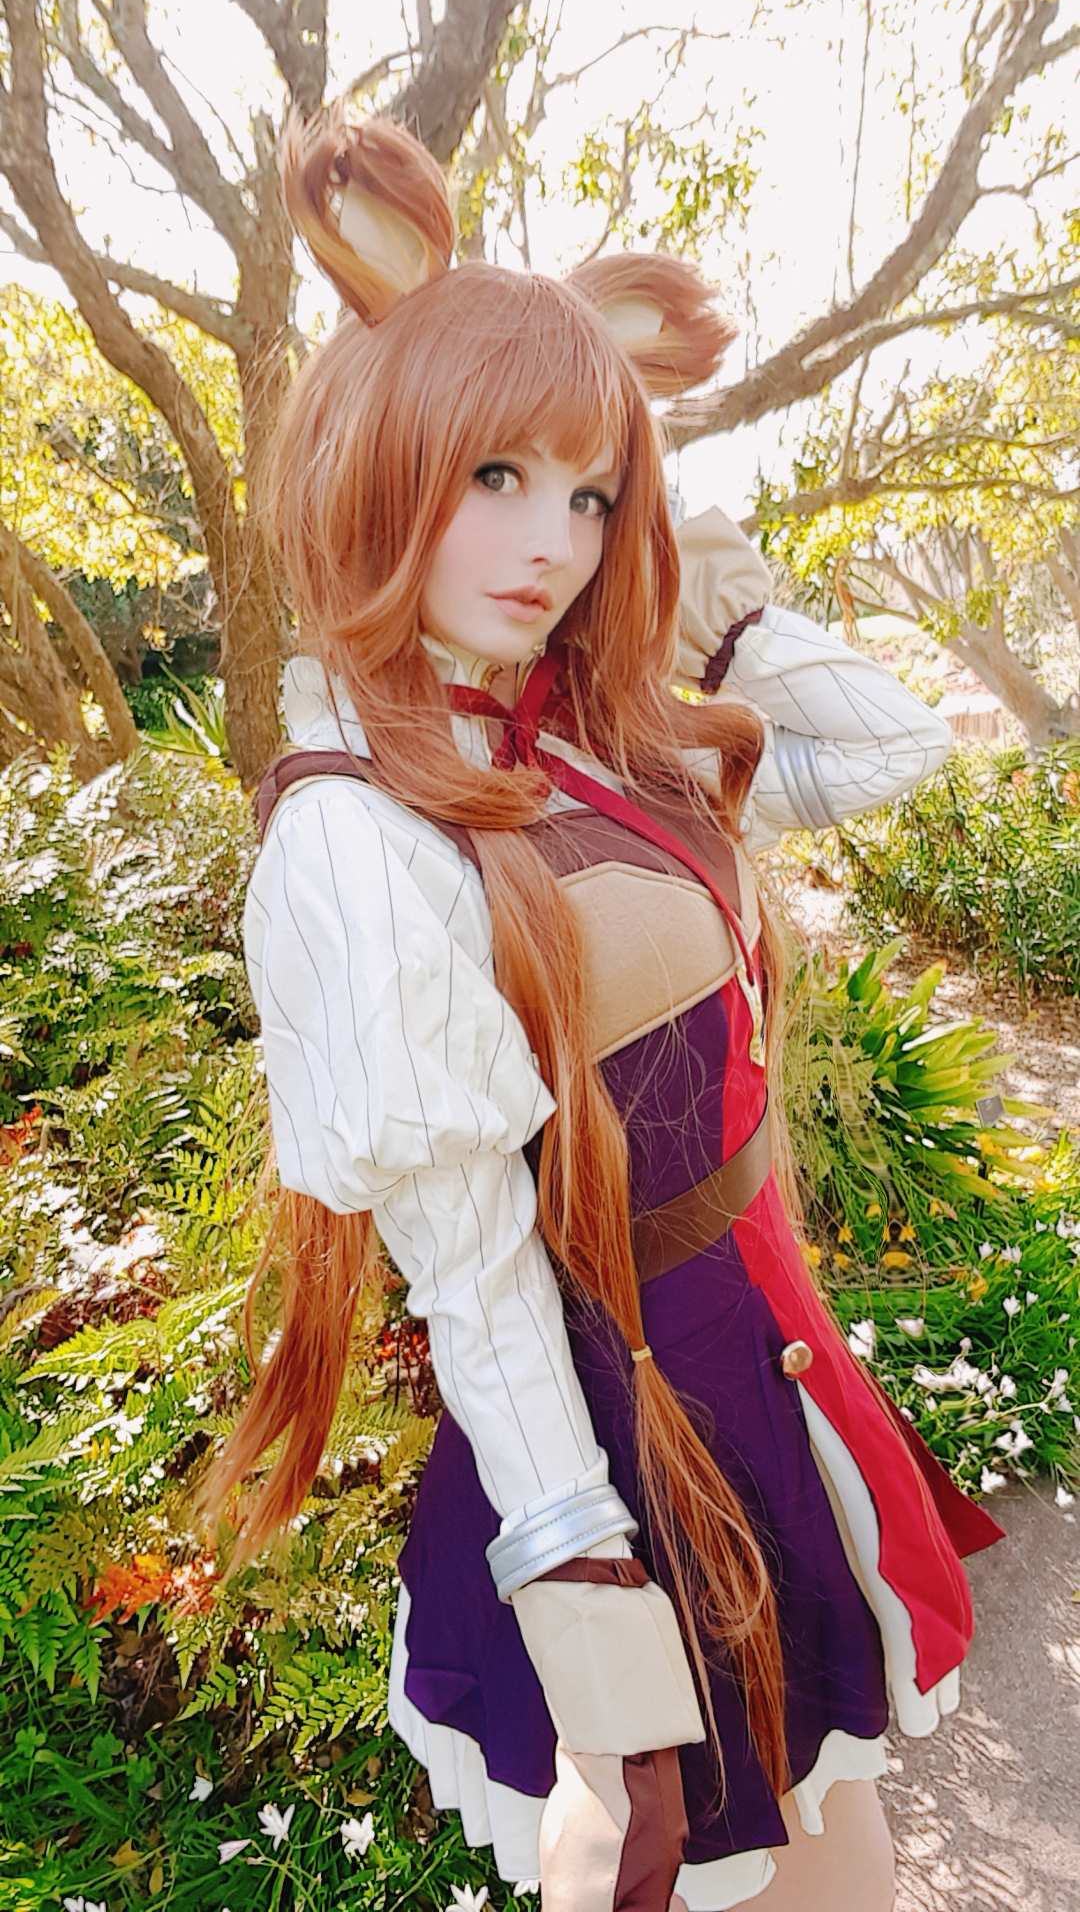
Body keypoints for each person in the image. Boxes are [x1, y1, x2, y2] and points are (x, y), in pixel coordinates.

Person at [202, 110, 1004, 1912]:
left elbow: (887, 749)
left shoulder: (598, 736)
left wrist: (717, 602)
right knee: (668, 1849)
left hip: (761, 1367)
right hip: (623, 1438)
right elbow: (474, 1269)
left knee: (838, 1837)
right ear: (377, 455)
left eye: (587, 493)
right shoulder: (353, 833)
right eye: (497, 473)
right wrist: (583, 1594)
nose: (551, 542)